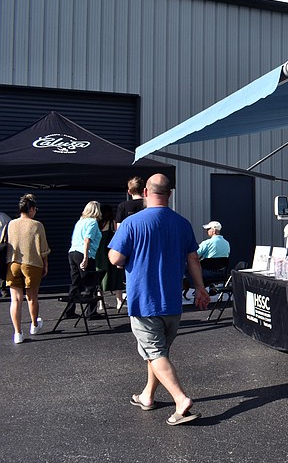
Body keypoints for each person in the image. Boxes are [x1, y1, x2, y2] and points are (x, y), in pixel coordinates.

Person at [108, 173, 210, 425]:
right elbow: (193, 259)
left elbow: (116, 258)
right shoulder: (182, 223)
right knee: (157, 352)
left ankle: (181, 400)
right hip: (172, 303)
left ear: (145, 193)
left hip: (145, 301)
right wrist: (200, 288)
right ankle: (147, 396)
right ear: (170, 195)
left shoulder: (132, 223)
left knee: (155, 353)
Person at [5, 194, 50, 344]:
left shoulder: (11, 224)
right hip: (32, 264)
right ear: (31, 209)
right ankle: (34, 325)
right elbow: (43, 248)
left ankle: (18, 333)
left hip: (13, 263)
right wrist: (45, 264)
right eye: (35, 209)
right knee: (32, 298)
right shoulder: (37, 225)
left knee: (15, 300)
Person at [68, 201, 103, 318]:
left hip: (72, 252)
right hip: (84, 253)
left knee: (75, 282)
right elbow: (87, 240)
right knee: (91, 283)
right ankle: (91, 312)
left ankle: (69, 310)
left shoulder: (80, 222)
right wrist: (85, 258)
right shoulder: (93, 222)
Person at [94, 203, 123, 311]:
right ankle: (119, 301)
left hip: (99, 253)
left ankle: (101, 303)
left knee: (99, 277)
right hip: (111, 251)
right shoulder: (112, 223)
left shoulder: (97, 224)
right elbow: (117, 236)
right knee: (116, 275)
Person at [0, 210, 11, 298]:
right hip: (2, 246)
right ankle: (3, 289)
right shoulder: (4, 217)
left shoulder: (3, 217)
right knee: (2, 268)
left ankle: (3, 289)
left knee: (2, 268)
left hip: (2, 246)